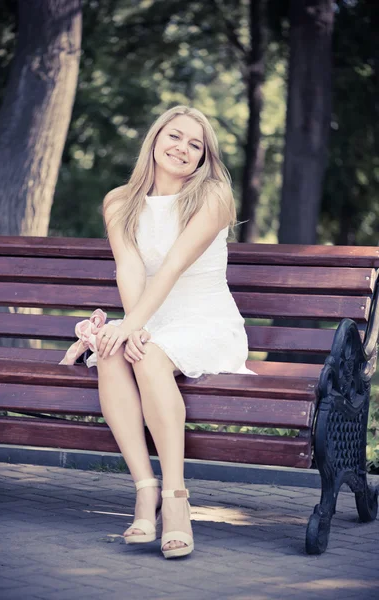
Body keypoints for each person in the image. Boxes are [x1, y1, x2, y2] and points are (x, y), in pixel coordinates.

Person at [65, 105, 255, 559]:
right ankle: (144, 488)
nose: (183, 149)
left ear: (204, 156)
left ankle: (176, 499)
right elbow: (128, 268)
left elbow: (170, 269)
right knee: (111, 352)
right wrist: (130, 327)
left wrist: (134, 328)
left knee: (145, 352)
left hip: (206, 322)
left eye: (195, 144)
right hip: (151, 317)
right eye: (175, 136)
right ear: (154, 139)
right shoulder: (118, 200)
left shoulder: (212, 196)